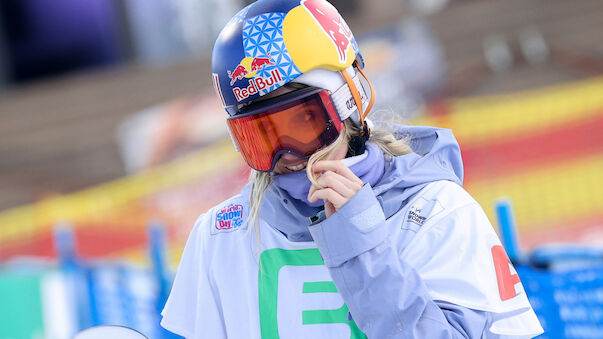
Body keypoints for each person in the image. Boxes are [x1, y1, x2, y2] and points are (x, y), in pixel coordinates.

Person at [160, 0, 544, 338]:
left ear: (350, 99)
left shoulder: (437, 212)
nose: (288, 155)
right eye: (261, 138)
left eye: (302, 124)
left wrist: (363, 248)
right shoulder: (221, 236)